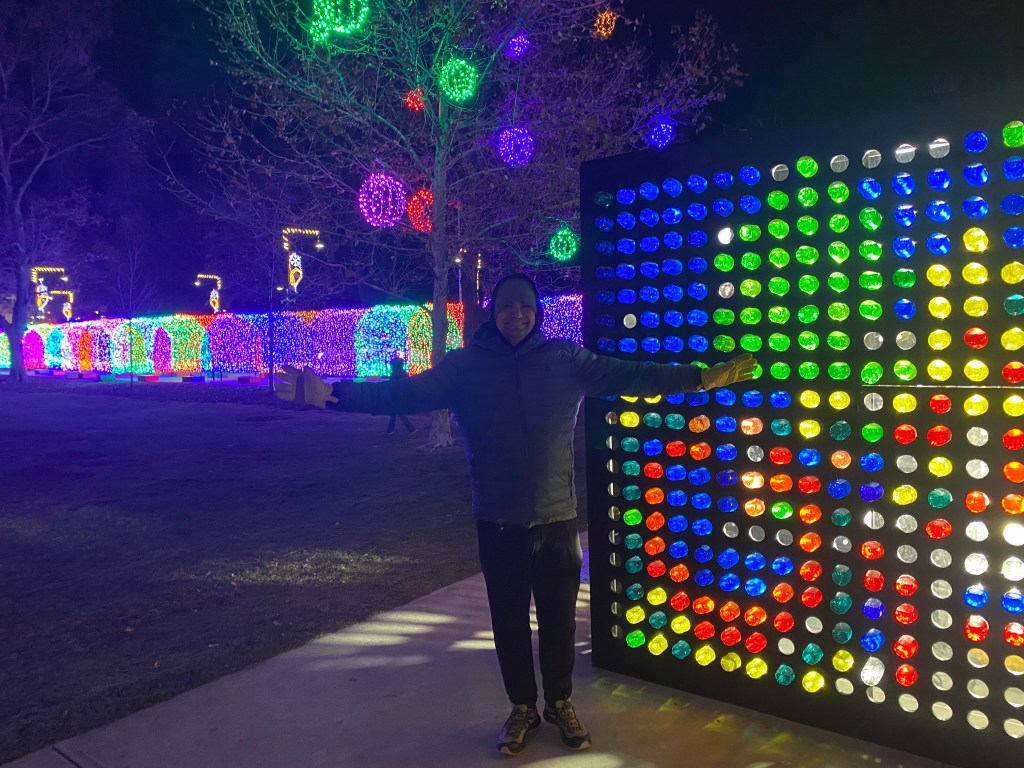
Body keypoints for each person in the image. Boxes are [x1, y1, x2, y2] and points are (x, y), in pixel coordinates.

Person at [275, 273, 757, 757]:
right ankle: (523, 708)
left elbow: (632, 374)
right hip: (498, 522)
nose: (517, 315)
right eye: (507, 306)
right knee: (508, 624)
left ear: (536, 312)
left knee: (559, 623)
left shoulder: (565, 360)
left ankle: (560, 703)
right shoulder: (466, 366)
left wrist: (699, 378)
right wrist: (333, 394)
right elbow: (402, 394)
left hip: (557, 520)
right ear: (494, 312)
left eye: (525, 306)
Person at [384, 352, 416, 434]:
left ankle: (410, 428)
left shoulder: (395, 373)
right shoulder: (403, 373)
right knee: (394, 412)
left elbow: (392, 384)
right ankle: (390, 429)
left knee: (397, 412)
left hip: (396, 395)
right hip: (401, 395)